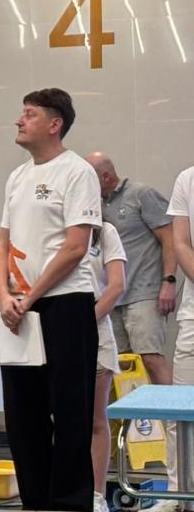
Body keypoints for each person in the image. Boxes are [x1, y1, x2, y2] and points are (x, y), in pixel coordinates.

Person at [0, 88, 100, 512]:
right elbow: (3, 243)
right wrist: (4, 294)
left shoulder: (77, 172)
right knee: (24, 412)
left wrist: (31, 297)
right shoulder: (17, 177)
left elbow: (75, 247)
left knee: (70, 411)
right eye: (22, 113)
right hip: (18, 308)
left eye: (30, 114)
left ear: (55, 124)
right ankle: (34, 505)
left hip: (65, 305)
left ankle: (71, 509)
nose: (19, 121)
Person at [85, 152, 179, 487]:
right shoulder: (94, 206)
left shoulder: (141, 195)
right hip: (111, 300)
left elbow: (170, 238)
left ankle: (178, 433)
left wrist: (169, 281)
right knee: (114, 371)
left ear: (106, 176)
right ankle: (122, 453)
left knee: (151, 358)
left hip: (144, 293)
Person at [86, 223, 127, 512]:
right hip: (54, 333)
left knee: (95, 420)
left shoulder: (105, 232)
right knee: (59, 419)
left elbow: (116, 286)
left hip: (95, 331)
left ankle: (97, 495)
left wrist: (84, 322)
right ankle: (64, 490)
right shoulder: (50, 228)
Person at [165, 164, 194, 512]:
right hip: (192, 318)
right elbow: (181, 243)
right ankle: (180, 493)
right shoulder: (187, 178)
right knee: (181, 410)